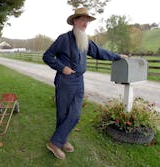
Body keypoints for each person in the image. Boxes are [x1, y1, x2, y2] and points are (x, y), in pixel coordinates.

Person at [43, 7, 127, 160]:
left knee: (75, 114)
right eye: (82, 19)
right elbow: (47, 56)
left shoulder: (84, 40)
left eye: (87, 20)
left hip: (79, 81)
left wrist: (117, 56)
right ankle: (58, 142)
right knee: (63, 113)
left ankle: (58, 140)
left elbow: (99, 52)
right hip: (65, 81)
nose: (85, 23)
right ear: (74, 21)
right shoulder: (63, 39)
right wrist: (62, 68)